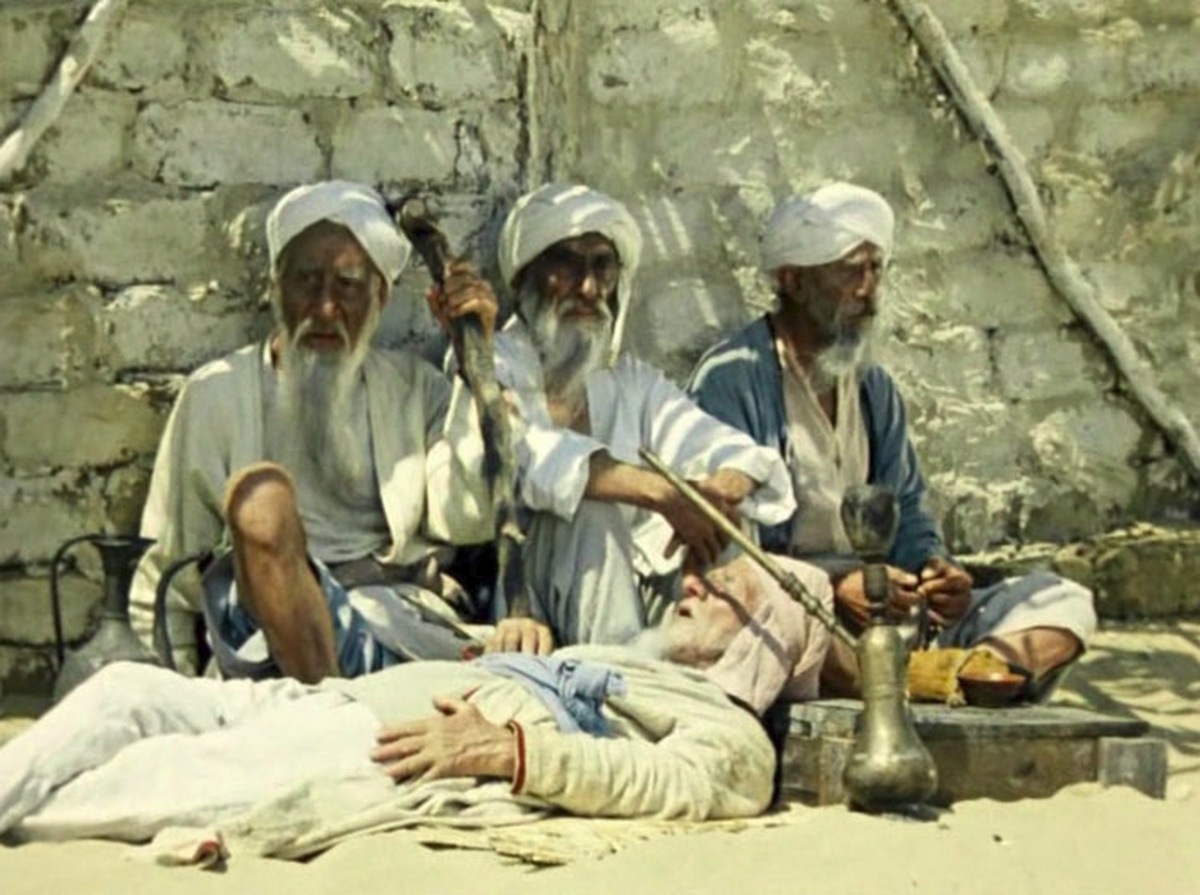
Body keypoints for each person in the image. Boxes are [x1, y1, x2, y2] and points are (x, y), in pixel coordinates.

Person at [0, 554, 833, 846]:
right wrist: (513, 643)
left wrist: (510, 750)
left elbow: (665, 784)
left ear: (766, 632)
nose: (692, 583)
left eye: (723, 587)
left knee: (153, 773)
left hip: (384, 746)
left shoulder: (732, 735)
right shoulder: (628, 658)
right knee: (127, 688)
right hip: (335, 698)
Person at [687, 182, 1097, 699]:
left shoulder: (872, 386)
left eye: (876, 269)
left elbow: (908, 509)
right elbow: (730, 552)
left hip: (887, 610)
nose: (868, 289)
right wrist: (834, 589)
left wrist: (935, 572)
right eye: (850, 271)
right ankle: (935, 684)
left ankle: (961, 675)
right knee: (780, 620)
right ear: (793, 280)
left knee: (1061, 599)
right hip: (801, 608)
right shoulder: (732, 380)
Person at [131, 180, 501, 683]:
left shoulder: (416, 390)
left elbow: (467, 520)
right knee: (263, 503)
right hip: (267, 633)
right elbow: (166, 571)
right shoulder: (216, 394)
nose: (325, 308)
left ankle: (331, 703)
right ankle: (329, 699)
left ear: (380, 297)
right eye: (307, 281)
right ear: (275, 289)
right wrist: (172, 681)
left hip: (387, 627)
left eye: (348, 285)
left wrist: (472, 359)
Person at [427, 183, 796, 655]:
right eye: (567, 265)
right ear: (523, 277)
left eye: (602, 266)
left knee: (722, 523)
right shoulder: (490, 360)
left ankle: (720, 680)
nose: (589, 288)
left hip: (632, 586)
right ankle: (623, 684)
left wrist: (720, 490)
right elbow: (528, 458)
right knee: (590, 512)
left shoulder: (626, 378)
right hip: (528, 598)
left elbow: (724, 446)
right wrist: (663, 494)